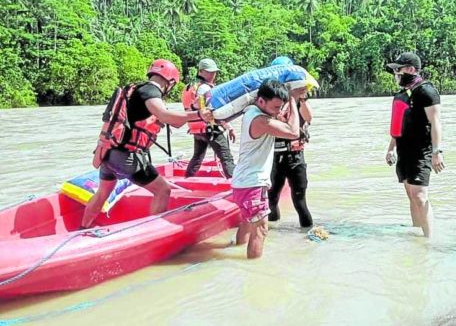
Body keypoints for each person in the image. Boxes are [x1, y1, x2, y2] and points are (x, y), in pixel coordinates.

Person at [82, 59, 213, 228]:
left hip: (108, 153)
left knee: (102, 194)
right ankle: (154, 231)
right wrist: (199, 115)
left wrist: (192, 111)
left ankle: (83, 227)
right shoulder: (151, 91)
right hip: (127, 158)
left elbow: (172, 121)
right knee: (163, 190)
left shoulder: (138, 90)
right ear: (170, 81)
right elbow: (165, 116)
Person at [232, 79, 302, 258]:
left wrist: (281, 109)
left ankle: (234, 253)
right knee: (261, 229)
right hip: (253, 184)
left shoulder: (251, 111)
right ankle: (253, 271)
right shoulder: (260, 120)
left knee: (248, 222)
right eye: (276, 107)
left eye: (281, 107)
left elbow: (280, 121)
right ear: (261, 101)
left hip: (242, 183)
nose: (278, 111)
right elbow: (294, 132)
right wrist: (293, 99)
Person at [385, 52, 444, 238]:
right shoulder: (400, 96)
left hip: (422, 151)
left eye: (399, 70)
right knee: (411, 195)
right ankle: (417, 235)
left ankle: (430, 239)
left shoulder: (426, 91)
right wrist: (391, 148)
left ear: (411, 70)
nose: (396, 74)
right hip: (404, 152)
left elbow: (436, 122)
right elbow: (397, 126)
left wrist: (437, 152)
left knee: (420, 196)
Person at [267, 56, 314, 228]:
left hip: (295, 157)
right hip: (276, 157)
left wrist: (299, 99)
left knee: (299, 202)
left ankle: (306, 239)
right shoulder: (272, 101)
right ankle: (272, 232)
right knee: (271, 199)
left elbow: (309, 118)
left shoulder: (299, 99)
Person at [181, 58, 236, 178]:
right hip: (209, 127)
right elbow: (213, 112)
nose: (213, 75)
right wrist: (229, 127)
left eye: (214, 72)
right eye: (209, 72)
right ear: (200, 71)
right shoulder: (205, 88)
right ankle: (234, 185)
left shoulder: (190, 86)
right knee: (226, 157)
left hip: (196, 129)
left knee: (197, 157)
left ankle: (188, 178)